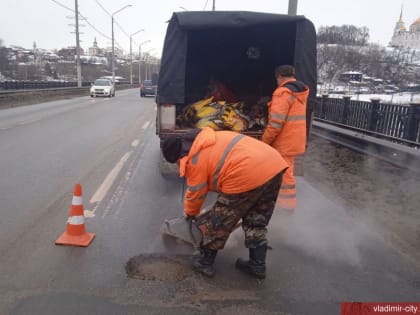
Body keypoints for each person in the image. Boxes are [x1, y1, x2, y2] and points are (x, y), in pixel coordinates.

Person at [161, 126, 288, 278]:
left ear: (178, 156)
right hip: (274, 166)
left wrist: (190, 214)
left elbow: (196, 194)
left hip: (245, 173)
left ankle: (205, 262)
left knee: (219, 221)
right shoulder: (208, 139)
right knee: (256, 219)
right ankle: (257, 265)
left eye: (176, 163)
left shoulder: (194, 159)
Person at [262, 65, 309, 212]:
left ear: (280, 77)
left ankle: (286, 209)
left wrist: (264, 142)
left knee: (285, 174)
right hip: (296, 140)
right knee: (286, 172)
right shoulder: (301, 92)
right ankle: (284, 206)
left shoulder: (282, 93)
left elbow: (276, 122)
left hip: (284, 142)